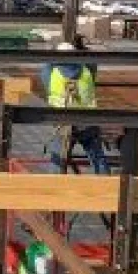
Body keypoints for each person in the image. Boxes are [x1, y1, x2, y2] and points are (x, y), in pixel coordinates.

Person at [43, 38, 110, 174]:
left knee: (58, 161)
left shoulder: (51, 73)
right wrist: (82, 49)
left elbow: (47, 64)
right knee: (98, 158)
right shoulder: (87, 70)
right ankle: (107, 186)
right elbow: (92, 61)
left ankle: (54, 189)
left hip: (63, 123)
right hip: (87, 121)